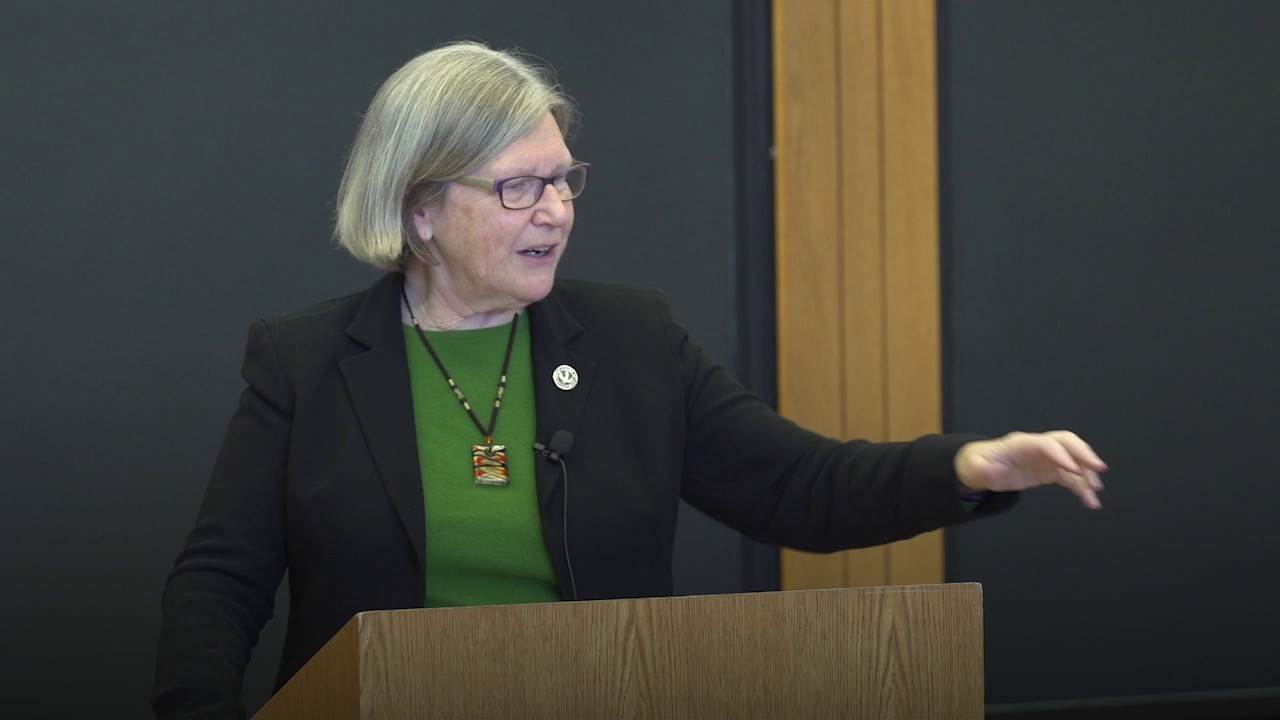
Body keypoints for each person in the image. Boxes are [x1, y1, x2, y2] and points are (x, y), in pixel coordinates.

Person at [152, 41, 1107, 718]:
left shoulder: (631, 340)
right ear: (422, 210)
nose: (556, 211)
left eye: (564, 179)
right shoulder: (307, 361)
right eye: (517, 187)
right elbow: (221, 579)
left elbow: (798, 490)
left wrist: (973, 468)